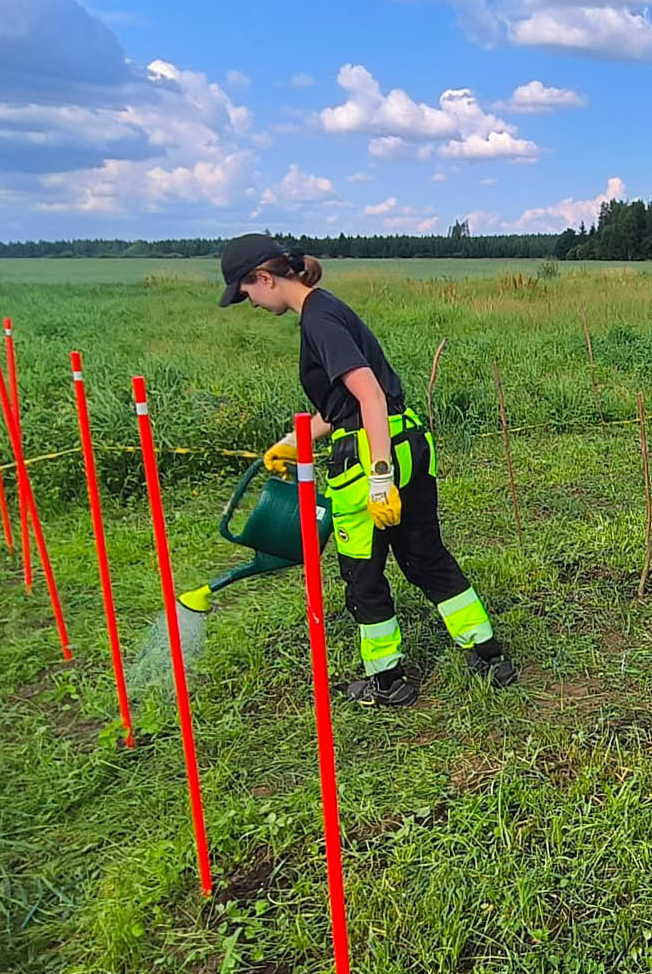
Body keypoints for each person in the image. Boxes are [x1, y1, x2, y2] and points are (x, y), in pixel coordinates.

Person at [218, 233, 516, 704]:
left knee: (363, 576)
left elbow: (368, 396)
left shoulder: (318, 320)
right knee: (426, 559)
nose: (248, 302)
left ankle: (388, 681)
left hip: (367, 460)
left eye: (246, 291)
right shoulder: (327, 308)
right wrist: (294, 442)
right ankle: (488, 656)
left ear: (264, 277)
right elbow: (345, 404)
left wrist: (379, 480)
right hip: (407, 444)